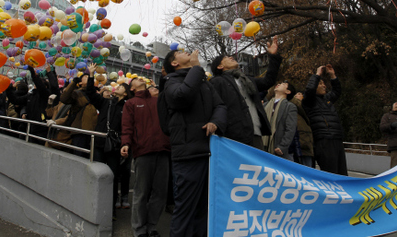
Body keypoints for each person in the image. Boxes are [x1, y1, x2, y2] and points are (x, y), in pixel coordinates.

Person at [161, 49, 227, 237]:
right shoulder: (171, 82)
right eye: (181, 52)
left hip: (208, 153)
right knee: (185, 211)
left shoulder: (203, 82)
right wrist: (197, 68)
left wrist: (216, 122)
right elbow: (182, 97)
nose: (187, 52)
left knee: (204, 210)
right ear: (175, 63)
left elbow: (220, 105)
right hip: (188, 156)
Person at [210, 36, 282, 150]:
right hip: (234, 137)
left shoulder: (247, 80)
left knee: (258, 167)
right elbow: (214, 106)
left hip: (256, 132)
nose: (231, 57)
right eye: (226, 57)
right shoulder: (217, 82)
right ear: (220, 66)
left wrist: (273, 57)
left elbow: (268, 81)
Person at [121, 78, 171, 237]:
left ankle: (152, 226)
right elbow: (127, 127)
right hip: (143, 152)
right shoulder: (131, 103)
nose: (140, 80)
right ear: (133, 88)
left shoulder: (159, 101)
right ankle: (139, 229)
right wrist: (126, 143)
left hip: (163, 151)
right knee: (141, 192)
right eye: (135, 80)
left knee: (160, 193)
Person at [84, 63, 132, 220]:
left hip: (114, 147)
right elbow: (90, 92)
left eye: (121, 87)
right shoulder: (106, 102)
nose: (117, 87)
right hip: (99, 144)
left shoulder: (126, 107)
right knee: (97, 175)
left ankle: (110, 210)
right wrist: (91, 75)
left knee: (111, 177)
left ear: (125, 93)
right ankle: (94, 207)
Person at [302, 64, 347, 175]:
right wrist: (317, 75)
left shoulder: (327, 100)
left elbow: (337, 91)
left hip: (336, 138)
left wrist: (333, 76)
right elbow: (309, 90)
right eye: (320, 84)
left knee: (342, 173)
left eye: (324, 83)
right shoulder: (309, 102)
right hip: (323, 140)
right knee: (331, 174)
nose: (324, 86)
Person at [6, 65, 59, 142]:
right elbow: (15, 100)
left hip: (41, 127)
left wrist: (33, 72)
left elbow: (48, 86)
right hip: (30, 127)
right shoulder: (30, 96)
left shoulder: (45, 95)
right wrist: (10, 89)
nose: (35, 84)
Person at [263, 81, 298, 160]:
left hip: (278, 150)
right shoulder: (265, 105)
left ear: (288, 91)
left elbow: (290, 129)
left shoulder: (289, 107)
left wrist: (282, 146)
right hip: (264, 148)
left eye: (284, 84)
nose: (279, 84)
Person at [290, 92, 314, 168]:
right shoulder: (294, 105)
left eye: (300, 94)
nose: (297, 95)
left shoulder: (305, 107)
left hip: (305, 141)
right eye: (296, 94)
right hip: (300, 141)